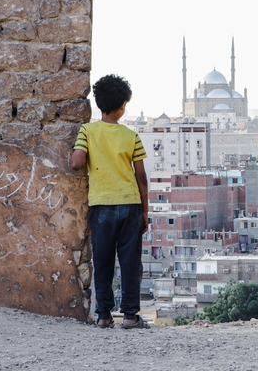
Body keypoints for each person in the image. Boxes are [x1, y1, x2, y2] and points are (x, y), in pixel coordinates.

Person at [71, 74, 150, 329]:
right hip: (130, 205)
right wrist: (145, 213)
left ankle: (103, 316)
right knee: (129, 262)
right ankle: (129, 316)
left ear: (98, 103)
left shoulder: (87, 131)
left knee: (103, 261)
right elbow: (142, 178)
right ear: (123, 105)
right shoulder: (131, 136)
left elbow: (76, 163)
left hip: (101, 205)